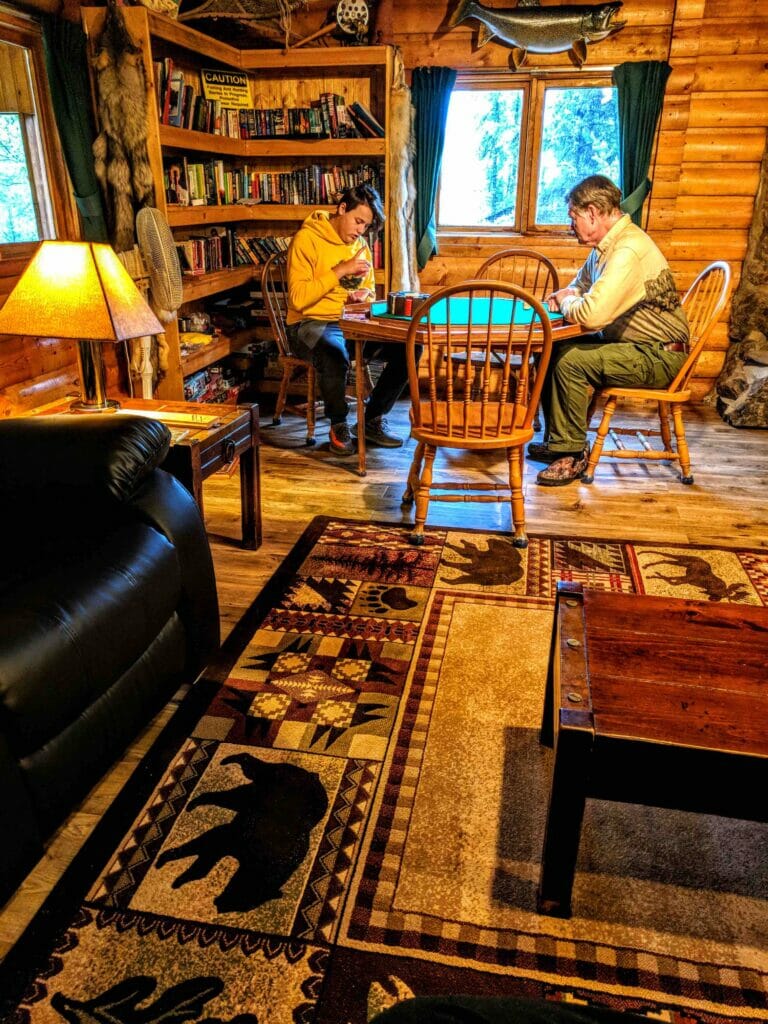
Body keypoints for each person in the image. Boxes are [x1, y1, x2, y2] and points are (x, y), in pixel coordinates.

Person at [532, 174, 689, 486]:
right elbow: (581, 285)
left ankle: (572, 455)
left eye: (573, 217)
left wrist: (565, 302)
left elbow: (591, 315)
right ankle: (559, 441)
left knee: (572, 361)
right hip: (634, 347)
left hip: (658, 356)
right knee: (553, 348)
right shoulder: (606, 246)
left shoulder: (627, 250)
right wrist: (568, 295)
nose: (570, 225)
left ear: (592, 212)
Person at [286, 184, 410, 455]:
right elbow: (297, 298)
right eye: (358, 221)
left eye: (365, 226)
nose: (360, 231)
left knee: (409, 347)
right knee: (335, 352)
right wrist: (341, 270)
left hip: (351, 323)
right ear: (342, 209)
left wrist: (360, 298)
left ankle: (372, 420)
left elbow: (367, 293)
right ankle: (339, 423)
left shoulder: (360, 246)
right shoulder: (306, 239)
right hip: (308, 323)